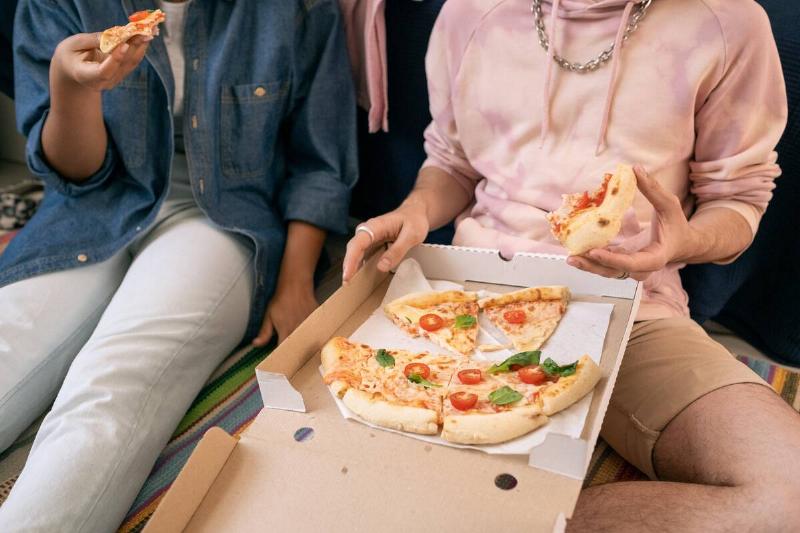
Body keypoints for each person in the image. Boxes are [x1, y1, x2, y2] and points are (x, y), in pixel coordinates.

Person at [343, 0, 800, 530]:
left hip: (632, 308)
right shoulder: (468, 12)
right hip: (463, 303)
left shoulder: (728, 20)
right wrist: (414, 211)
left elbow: (738, 199)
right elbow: (451, 161)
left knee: (787, 495)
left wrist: (682, 241)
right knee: (351, 474)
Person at [0, 0, 356, 530]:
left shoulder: (296, 9)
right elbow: (78, 176)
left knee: (116, 380)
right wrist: (71, 86)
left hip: (221, 216)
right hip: (91, 207)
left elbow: (320, 162)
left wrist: (296, 279)